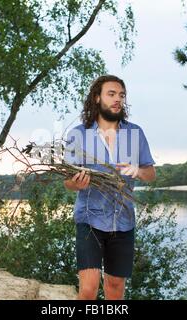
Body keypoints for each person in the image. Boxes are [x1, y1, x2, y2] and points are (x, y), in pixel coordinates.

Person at [64, 75, 156, 300]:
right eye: (111, 94)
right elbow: (67, 181)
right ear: (97, 98)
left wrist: (137, 170)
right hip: (89, 219)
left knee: (115, 287)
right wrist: (76, 183)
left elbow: (151, 174)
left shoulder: (135, 133)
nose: (118, 99)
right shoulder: (78, 134)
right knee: (88, 289)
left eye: (121, 95)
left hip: (123, 221)